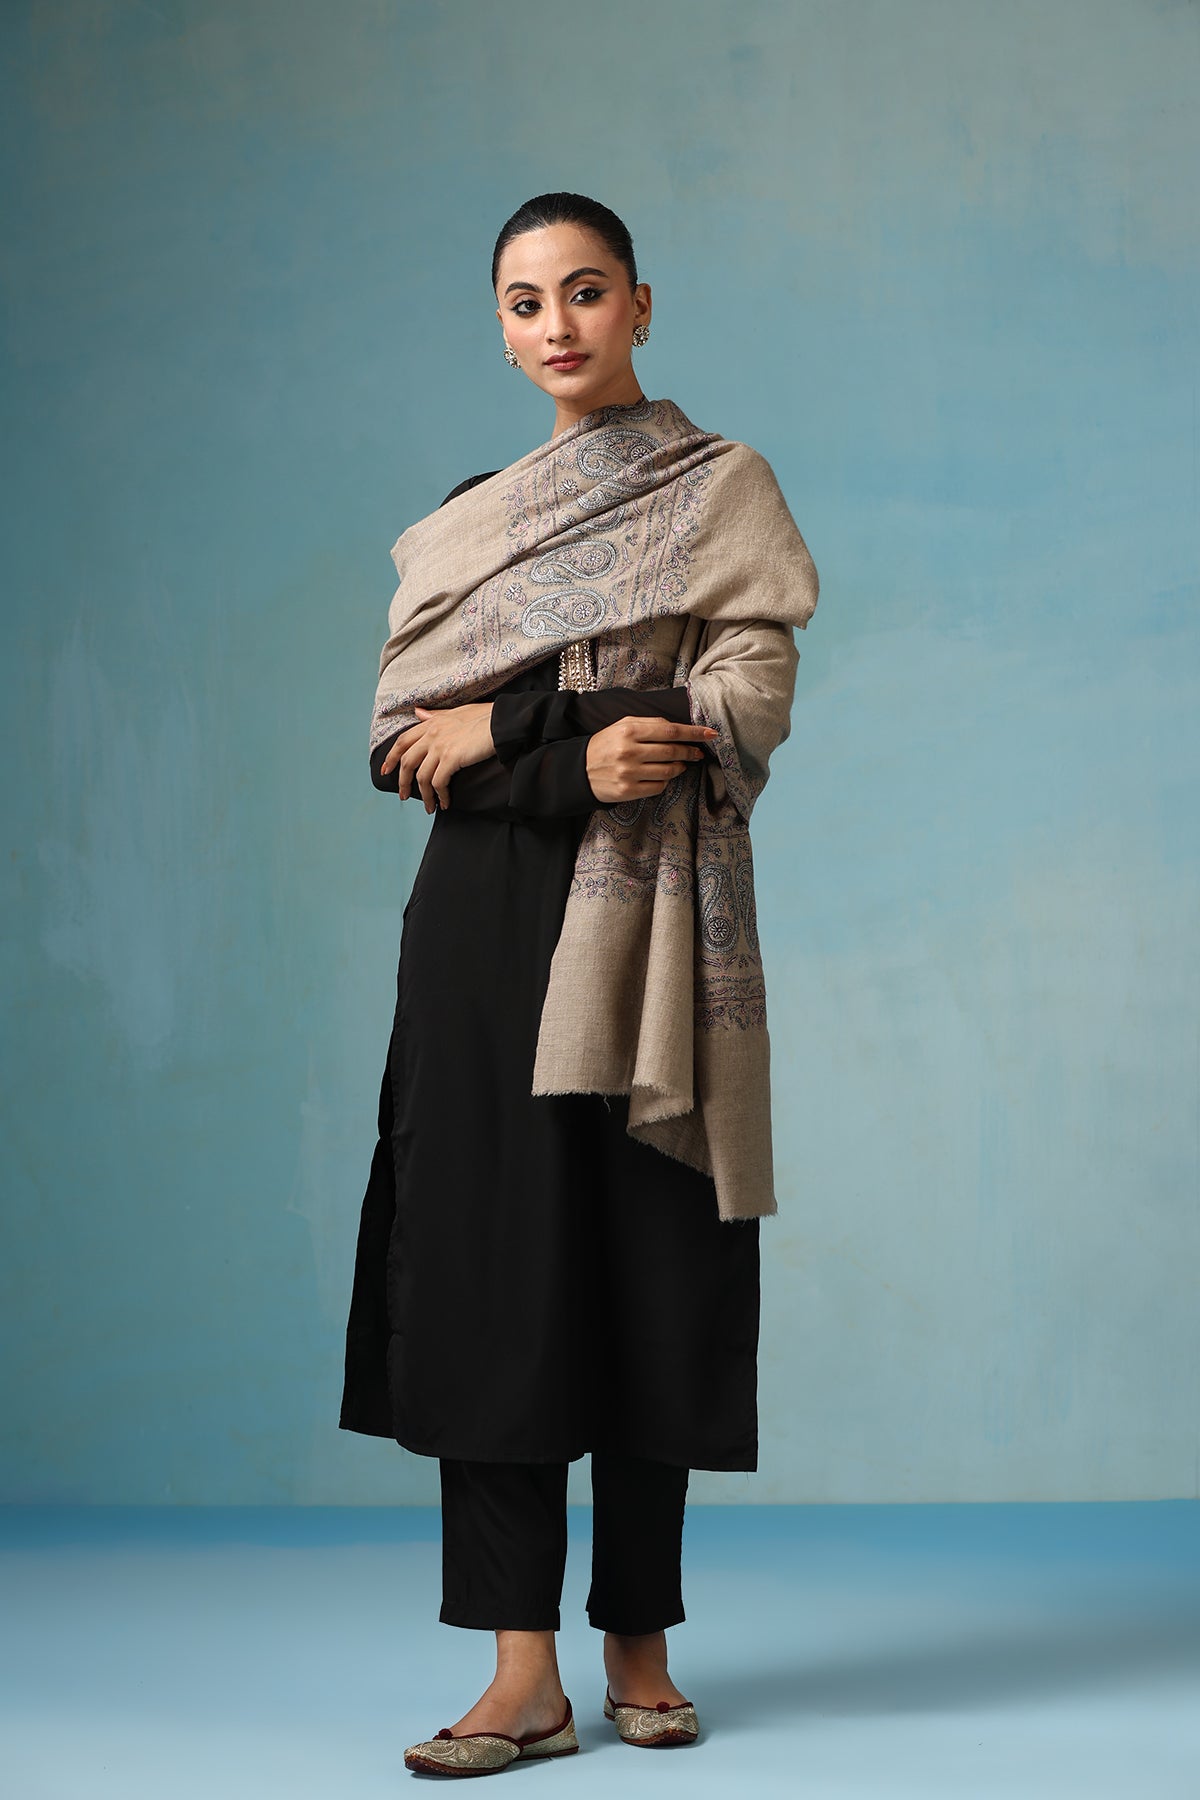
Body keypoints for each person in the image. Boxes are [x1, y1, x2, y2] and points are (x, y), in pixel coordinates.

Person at [338, 192, 819, 1778]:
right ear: (501, 328)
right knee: (495, 1286)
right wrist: (551, 749)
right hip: (482, 946)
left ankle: (641, 1648)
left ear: (641, 306)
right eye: (525, 301)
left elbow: (736, 704)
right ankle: (520, 1674)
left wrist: (513, 725)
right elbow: (407, 745)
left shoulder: (718, 490)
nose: (558, 324)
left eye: (587, 291)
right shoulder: (472, 526)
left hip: (654, 941)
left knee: (648, 1276)